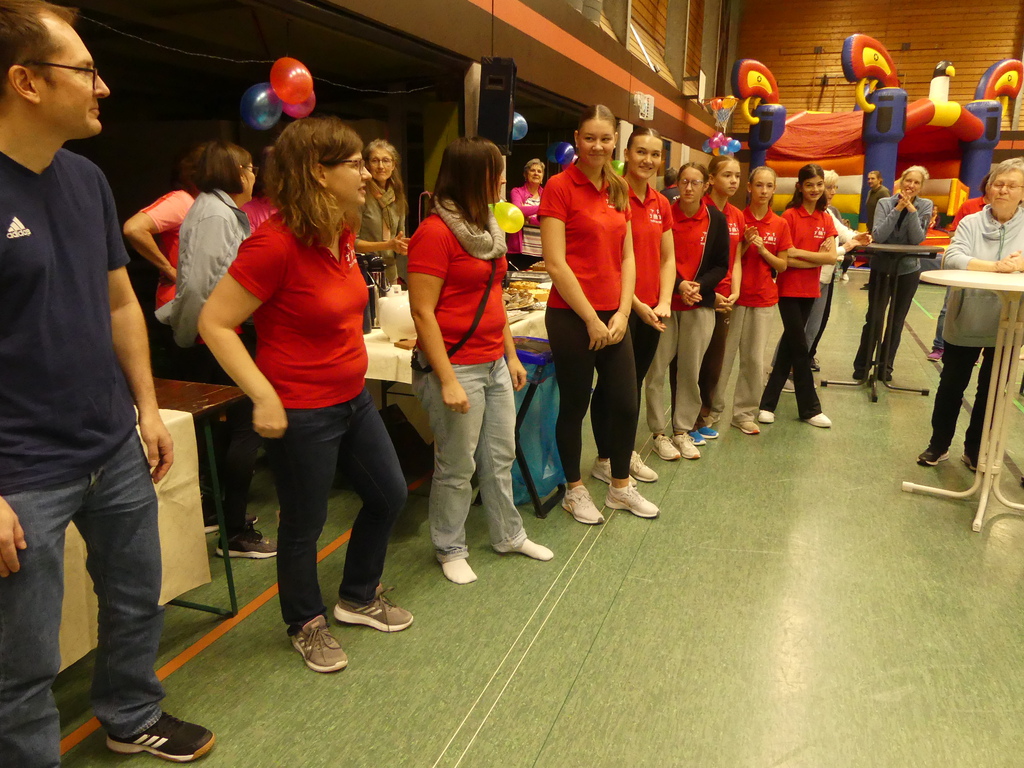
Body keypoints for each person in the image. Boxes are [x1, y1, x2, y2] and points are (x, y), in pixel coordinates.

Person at [0, 2, 214, 763]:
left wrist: (147, 409)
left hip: (110, 441)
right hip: (20, 468)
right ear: (25, 81)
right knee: (21, 663)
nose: (104, 86)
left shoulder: (86, 179)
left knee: (133, 600)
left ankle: (130, 714)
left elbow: (121, 301)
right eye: (85, 70)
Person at [199, 116, 413, 675]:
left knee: (389, 495)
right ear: (319, 172)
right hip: (302, 406)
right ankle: (305, 621)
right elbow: (215, 323)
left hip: (352, 397)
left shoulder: (339, 232)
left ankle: (358, 595)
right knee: (304, 523)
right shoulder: (273, 244)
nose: (367, 173)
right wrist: (264, 397)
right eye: (354, 164)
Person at [407, 137, 553, 585]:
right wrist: (447, 379)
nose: (504, 179)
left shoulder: (488, 227)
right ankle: (449, 545)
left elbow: (493, 298)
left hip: (492, 361)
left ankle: (509, 534)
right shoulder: (434, 233)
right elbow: (422, 311)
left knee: (500, 453)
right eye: (496, 171)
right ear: (474, 175)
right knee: (457, 462)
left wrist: (509, 354)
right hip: (456, 365)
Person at [540, 104, 659, 523]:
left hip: (614, 314)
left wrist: (624, 313)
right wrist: (590, 318)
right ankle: (574, 489)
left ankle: (620, 487)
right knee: (574, 403)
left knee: (625, 403)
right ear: (577, 139)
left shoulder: (618, 187)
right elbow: (555, 262)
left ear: (615, 143)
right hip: (573, 315)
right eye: (590, 138)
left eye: (605, 139)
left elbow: (627, 256)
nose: (597, 146)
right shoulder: (558, 187)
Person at [157, 139, 274, 558]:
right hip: (218, 337)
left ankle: (223, 514)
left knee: (227, 430)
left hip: (217, 334)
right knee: (243, 428)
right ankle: (235, 532)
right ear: (235, 171)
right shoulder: (213, 213)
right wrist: (185, 332)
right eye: (249, 167)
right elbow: (206, 286)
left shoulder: (218, 209)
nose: (254, 174)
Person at [916, 158, 1024, 469]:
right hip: (966, 319)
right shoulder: (971, 223)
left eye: (1011, 185)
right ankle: (938, 444)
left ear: (1021, 192)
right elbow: (953, 257)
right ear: (989, 188)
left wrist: (1018, 264)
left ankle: (975, 449)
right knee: (951, 384)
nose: (1002, 190)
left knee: (991, 390)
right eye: (997, 184)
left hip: (1007, 323)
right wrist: (996, 266)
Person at [590, 126, 673, 481]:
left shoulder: (661, 202)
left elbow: (667, 258)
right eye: (641, 152)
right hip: (620, 308)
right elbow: (609, 259)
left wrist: (665, 301)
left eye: (655, 154)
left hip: (654, 311)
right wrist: (635, 305)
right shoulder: (610, 195)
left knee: (633, 384)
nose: (648, 160)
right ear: (626, 152)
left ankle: (621, 453)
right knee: (612, 387)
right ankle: (605, 459)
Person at [645, 162, 730, 460]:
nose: (689, 188)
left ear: (706, 185)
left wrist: (699, 287)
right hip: (665, 304)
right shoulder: (665, 212)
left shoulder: (716, 220)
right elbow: (655, 256)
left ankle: (682, 430)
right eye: (684, 182)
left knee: (690, 371)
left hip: (699, 304)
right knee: (656, 370)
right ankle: (658, 432)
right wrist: (679, 285)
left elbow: (722, 264)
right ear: (677, 184)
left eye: (695, 182)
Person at [709, 166, 791, 435]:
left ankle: (744, 413)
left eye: (769, 186)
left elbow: (783, 264)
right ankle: (713, 410)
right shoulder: (736, 218)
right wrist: (745, 242)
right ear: (749, 187)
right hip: (734, 299)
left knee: (754, 361)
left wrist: (763, 249)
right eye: (759, 185)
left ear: (774, 189)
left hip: (764, 300)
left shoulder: (780, 224)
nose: (763, 191)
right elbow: (731, 258)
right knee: (723, 359)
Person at [758, 163, 835, 428]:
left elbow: (832, 257)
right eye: (809, 184)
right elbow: (785, 257)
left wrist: (801, 254)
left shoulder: (826, 218)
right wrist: (816, 258)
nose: (815, 189)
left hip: (811, 290)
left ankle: (767, 404)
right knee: (801, 347)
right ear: (800, 187)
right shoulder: (789, 216)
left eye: (819, 184)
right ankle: (810, 409)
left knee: (791, 347)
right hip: (788, 290)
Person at [852, 165, 934, 382]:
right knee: (875, 318)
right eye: (909, 181)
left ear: (921, 187)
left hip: (907, 271)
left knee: (896, 322)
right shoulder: (884, 203)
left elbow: (917, 239)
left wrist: (912, 212)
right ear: (901, 182)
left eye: (917, 183)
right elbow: (879, 234)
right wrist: (897, 208)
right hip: (882, 268)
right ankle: (862, 367)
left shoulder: (925, 205)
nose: (911, 186)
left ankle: (885, 368)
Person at [694, 154, 744, 441]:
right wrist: (706, 293)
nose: (733, 180)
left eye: (737, 175)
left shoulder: (736, 215)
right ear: (711, 179)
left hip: (726, 298)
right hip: (701, 296)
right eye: (727, 175)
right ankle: (686, 420)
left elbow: (735, 258)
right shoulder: (701, 208)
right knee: (693, 362)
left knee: (714, 363)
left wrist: (735, 290)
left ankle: (704, 415)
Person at [803, 169, 871, 370]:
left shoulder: (829, 213)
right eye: (827, 186)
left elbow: (843, 234)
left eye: (831, 187)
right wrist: (845, 248)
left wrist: (861, 237)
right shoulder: (807, 214)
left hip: (824, 278)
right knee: (801, 329)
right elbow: (822, 251)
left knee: (812, 329)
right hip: (809, 278)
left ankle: (798, 369)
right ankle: (781, 370)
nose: (830, 192)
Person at [122, 143, 203, 311]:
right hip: (178, 304)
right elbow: (134, 228)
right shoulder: (182, 201)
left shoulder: (205, 205)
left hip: (195, 303)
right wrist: (169, 270)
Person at [927, 173, 994, 362]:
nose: (1001, 190)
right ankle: (939, 346)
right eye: (996, 184)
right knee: (949, 307)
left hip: (989, 273)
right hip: (964, 269)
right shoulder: (969, 207)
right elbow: (955, 235)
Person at [355, 138, 409, 284]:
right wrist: (387, 245)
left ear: (393, 165)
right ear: (366, 165)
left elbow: (399, 239)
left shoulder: (397, 196)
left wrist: (406, 246)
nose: (380, 166)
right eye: (375, 161)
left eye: (386, 160)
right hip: (365, 270)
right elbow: (352, 242)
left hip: (390, 271)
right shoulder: (360, 195)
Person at [507, 157, 544, 266]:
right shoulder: (516, 191)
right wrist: (542, 208)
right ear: (525, 174)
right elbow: (517, 210)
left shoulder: (547, 194)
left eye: (539, 171)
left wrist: (530, 219)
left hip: (542, 251)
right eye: (532, 170)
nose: (536, 173)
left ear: (542, 177)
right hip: (519, 252)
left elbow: (550, 220)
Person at [860, 170, 890, 289]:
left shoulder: (883, 192)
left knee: (878, 256)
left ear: (879, 180)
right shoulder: (870, 192)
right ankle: (872, 282)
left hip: (880, 230)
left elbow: (888, 211)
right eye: (868, 179)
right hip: (871, 228)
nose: (870, 181)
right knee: (872, 256)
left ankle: (878, 283)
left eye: (872, 178)